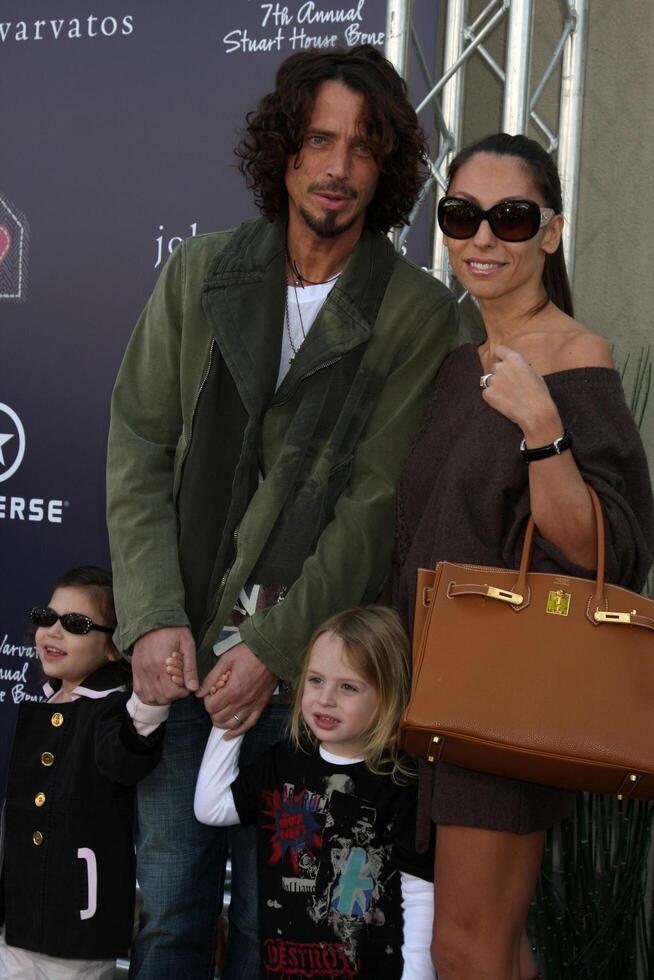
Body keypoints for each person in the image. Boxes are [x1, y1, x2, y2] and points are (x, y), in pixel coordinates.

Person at [106, 44, 458, 979]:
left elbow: (376, 505)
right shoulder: (201, 273)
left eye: (364, 148)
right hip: (180, 657)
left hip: (318, 683)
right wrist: (149, 618)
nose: (339, 167)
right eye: (320, 140)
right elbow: (139, 448)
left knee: (288, 938)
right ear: (285, 151)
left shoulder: (418, 313)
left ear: (387, 171)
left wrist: (275, 651)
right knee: (170, 916)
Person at [393, 132, 654, 980]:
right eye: (462, 215)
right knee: (485, 949)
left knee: (466, 949)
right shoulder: (454, 365)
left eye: (510, 217)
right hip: (430, 689)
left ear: (551, 231)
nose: (481, 238)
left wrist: (543, 430)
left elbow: (611, 551)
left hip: (501, 688)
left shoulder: (578, 361)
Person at [192, 606, 435, 980]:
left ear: (388, 696)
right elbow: (213, 807)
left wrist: (417, 973)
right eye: (316, 680)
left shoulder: (400, 782)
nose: (325, 699)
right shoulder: (283, 763)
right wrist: (230, 717)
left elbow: (419, 891)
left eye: (348, 687)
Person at [0, 566, 167, 980]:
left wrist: (150, 703)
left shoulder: (114, 707)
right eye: (46, 618)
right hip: (18, 919)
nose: (53, 632)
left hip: (78, 917)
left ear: (114, 647)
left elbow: (124, 758)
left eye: (74, 624)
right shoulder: (47, 701)